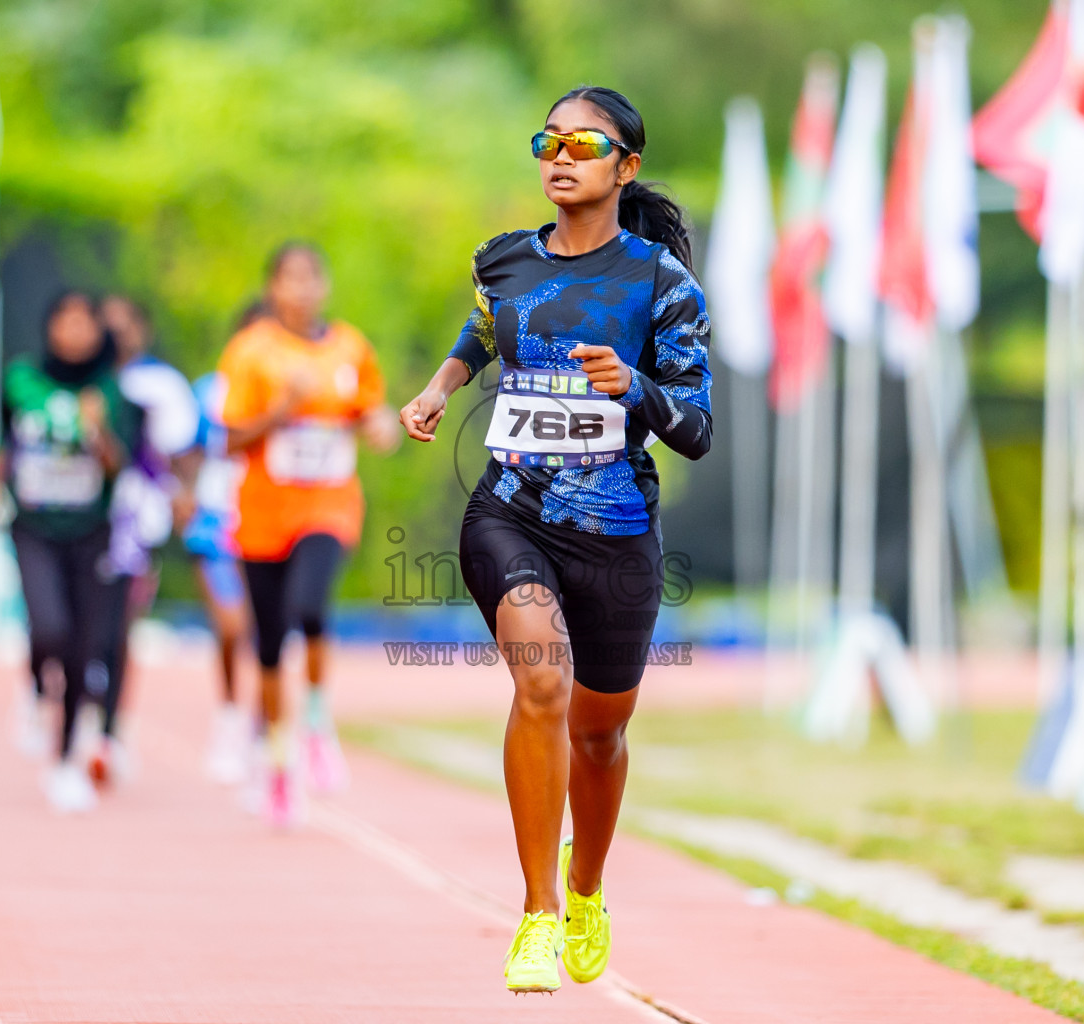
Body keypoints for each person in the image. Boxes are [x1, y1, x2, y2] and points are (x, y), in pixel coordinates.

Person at [398, 87, 712, 993]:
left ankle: (585, 887)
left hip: (615, 531)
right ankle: (535, 911)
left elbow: (695, 428)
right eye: (548, 140)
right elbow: (488, 330)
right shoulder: (503, 262)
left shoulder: (661, 284)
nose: (560, 155)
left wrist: (634, 390)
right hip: (509, 511)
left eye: (584, 142)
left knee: (601, 734)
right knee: (542, 680)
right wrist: (440, 387)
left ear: (627, 165)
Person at [219, 244, 398, 826]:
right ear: (272, 288)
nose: (301, 288)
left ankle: (318, 721)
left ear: (324, 285)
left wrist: (378, 425)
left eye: (310, 277)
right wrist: (281, 410)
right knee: (269, 644)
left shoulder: (350, 347)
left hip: (328, 506)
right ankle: (278, 763)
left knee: (309, 603)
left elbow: (372, 408)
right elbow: (229, 439)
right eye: (289, 278)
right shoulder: (252, 352)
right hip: (264, 514)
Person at [0, 291, 140, 814]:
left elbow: (119, 465)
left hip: (89, 529)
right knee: (48, 625)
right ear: (50, 326)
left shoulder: (110, 388)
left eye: (85, 323)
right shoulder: (21, 379)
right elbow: (5, 443)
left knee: (82, 645)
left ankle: (63, 762)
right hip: (33, 524)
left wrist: (98, 428)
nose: (76, 332)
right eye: (66, 321)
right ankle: (35, 688)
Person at [89, 294, 202, 787]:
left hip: (136, 520)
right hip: (78, 516)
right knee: (75, 623)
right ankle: (75, 692)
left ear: (141, 329)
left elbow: (179, 451)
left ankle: (107, 732)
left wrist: (184, 495)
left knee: (118, 626)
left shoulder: (160, 386)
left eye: (124, 324)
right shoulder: (78, 383)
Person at [186, 301, 265, 785]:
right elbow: (188, 450)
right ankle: (231, 715)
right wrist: (182, 495)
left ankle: (261, 726)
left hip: (267, 517)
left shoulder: (292, 388)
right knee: (231, 626)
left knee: (263, 629)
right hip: (216, 519)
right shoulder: (210, 391)